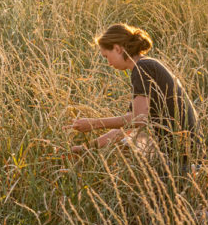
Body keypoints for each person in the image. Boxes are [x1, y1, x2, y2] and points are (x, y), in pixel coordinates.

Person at [67, 23, 200, 175]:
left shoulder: (143, 68)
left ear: (117, 48)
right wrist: (86, 148)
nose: (108, 63)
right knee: (131, 139)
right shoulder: (147, 66)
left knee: (128, 146)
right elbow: (128, 128)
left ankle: (164, 185)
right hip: (186, 153)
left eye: (106, 56)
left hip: (182, 158)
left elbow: (138, 119)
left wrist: (94, 124)